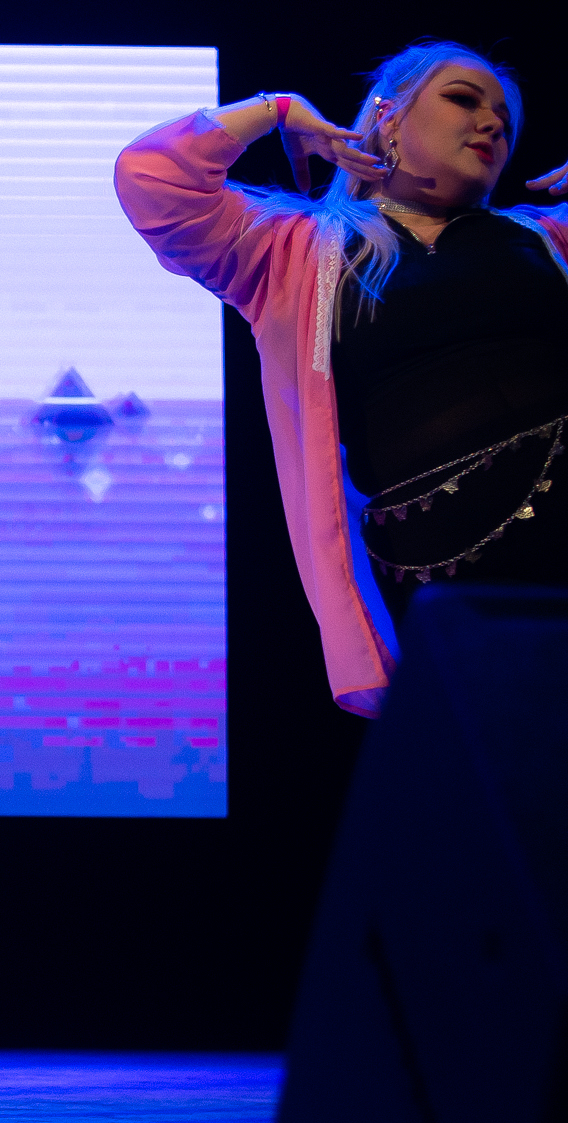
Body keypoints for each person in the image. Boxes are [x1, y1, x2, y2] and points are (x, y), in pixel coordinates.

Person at [116, 41, 566, 716]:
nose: (491, 124)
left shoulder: (547, 239)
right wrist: (274, 110)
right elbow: (152, 178)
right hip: (440, 575)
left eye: (505, 118)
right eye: (463, 100)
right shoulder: (290, 251)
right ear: (388, 118)